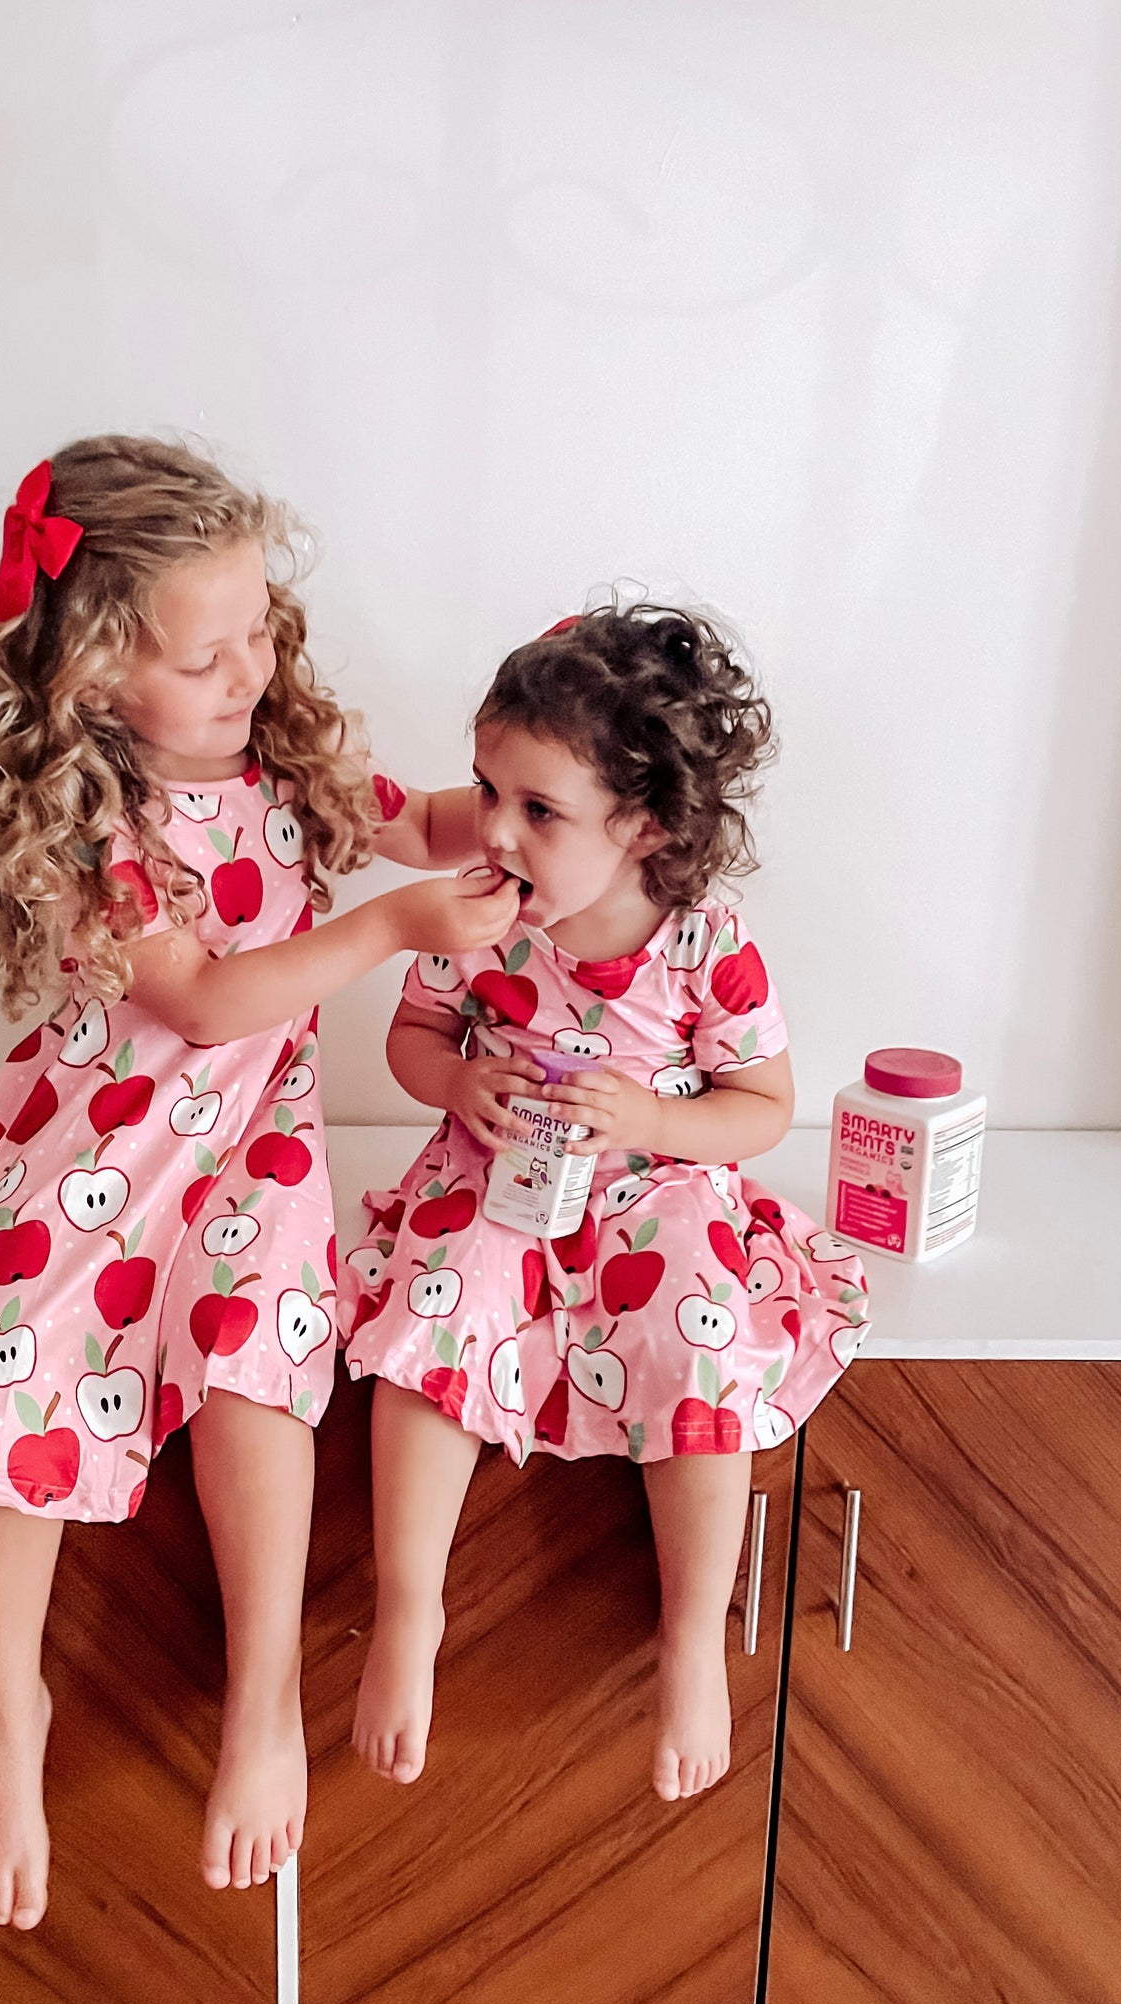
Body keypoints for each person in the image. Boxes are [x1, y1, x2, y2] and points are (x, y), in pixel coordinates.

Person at [0, 434, 517, 1927]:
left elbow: (421, 823)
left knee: (254, 1378)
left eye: (259, 631)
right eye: (208, 654)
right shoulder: (101, 813)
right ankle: (5, 1713)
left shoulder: (287, 756)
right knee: (14, 1359)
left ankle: (263, 1702)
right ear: (92, 674)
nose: (248, 672)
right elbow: (208, 1001)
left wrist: (542, 796)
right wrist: (393, 930)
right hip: (103, 1139)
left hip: (253, 1146)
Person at [338, 602, 870, 1802]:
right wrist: (459, 1080)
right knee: (437, 1311)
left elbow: (762, 1103)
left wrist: (658, 1123)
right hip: (499, 1166)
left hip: (659, 1184)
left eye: (538, 810)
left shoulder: (702, 939)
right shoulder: (476, 909)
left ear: (643, 824)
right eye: (485, 789)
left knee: (700, 1332)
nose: (494, 829)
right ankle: (407, 1613)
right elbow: (413, 1037)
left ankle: (692, 1638)